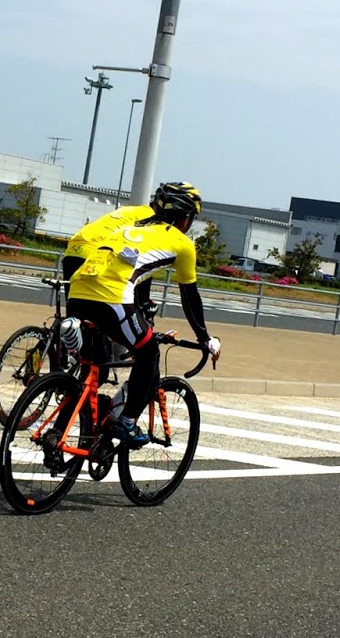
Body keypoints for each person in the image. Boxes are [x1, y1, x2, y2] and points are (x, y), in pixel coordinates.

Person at [64, 181, 222, 448]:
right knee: (148, 353)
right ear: (185, 218)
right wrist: (205, 338)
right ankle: (125, 422)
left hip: (78, 288)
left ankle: (58, 432)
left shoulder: (132, 228)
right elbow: (190, 297)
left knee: (92, 369)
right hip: (111, 297)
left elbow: (136, 276)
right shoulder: (182, 244)